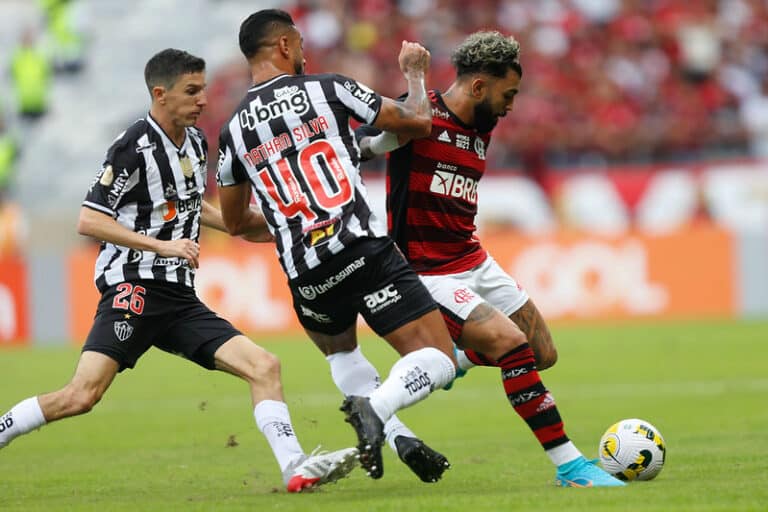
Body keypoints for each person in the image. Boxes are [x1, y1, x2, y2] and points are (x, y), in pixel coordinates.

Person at [0, 48, 359, 493]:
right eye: (192, 91)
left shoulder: (193, 142)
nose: (203, 99)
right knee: (81, 396)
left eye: (204, 88)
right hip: (133, 289)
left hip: (178, 298)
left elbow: (192, 206)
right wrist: (160, 246)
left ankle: (295, 468)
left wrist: (259, 226)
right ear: (160, 94)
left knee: (264, 366)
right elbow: (88, 219)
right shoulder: (131, 146)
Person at [354, 31, 625, 488]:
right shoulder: (416, 114)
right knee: (512, 346)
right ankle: (571, 467)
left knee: (543, 352)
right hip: (426, 270)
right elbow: (357, 146)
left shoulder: (482, 122)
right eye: (508, 94)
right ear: (479, 87)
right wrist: (414, 78)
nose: (511, 106)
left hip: (472, 256)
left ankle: (456, 359)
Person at [216, 9, 458, 481]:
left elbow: (236, 222)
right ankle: (378, 409)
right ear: (284, 46)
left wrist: (292, 226)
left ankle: (399, 436)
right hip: (362, 250)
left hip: (306, 274)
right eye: (299, 42)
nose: (305, 51)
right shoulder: (329, 89)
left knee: (342, 354)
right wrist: (414, 73)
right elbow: (417, 123)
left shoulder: (232, 132)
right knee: (439, 358)